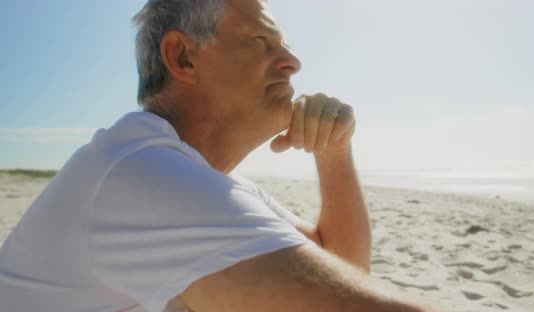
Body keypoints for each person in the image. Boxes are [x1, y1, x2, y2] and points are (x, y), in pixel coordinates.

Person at [0, 0, 436, 311]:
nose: (293, 61)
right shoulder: (141, 174)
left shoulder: (207, 183)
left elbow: (342, 266)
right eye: (262, 39)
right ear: (183, 56)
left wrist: (333, 151)